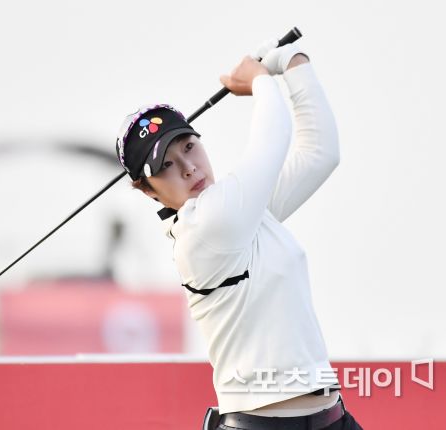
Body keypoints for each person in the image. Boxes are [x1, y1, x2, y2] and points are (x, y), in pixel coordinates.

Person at [115, 38, 363, 430]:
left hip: (333, 420)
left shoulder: (243, 211)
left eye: (188, 147)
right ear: (149, 192)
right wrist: (260, 80)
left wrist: (292, 61)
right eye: (166, 166)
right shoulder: (206, 226)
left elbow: (321, 153)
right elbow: (274, 136)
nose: (188, 167)